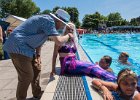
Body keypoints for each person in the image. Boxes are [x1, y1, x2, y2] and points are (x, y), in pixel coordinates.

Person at [3, 9, 73, 100]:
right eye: (63, 24)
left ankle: (37, 93)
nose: (62, 27)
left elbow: (39, 42)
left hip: (27, 48)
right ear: (58, 20)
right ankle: (21, 98)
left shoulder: (47, 22)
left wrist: (38, 56)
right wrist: (69, 35)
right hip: (18, 47)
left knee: (37, 68)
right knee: (27, 76)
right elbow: (59, 41)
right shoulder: (49, 21)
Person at [51, 22, 116, 82]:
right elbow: (54, 55)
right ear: (65, 29)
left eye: (72, 30)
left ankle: (113, 77)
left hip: (73, 63)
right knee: (91, 67)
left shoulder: (72, 41)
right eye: (68, 29)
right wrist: (53, 70)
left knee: (93, 66)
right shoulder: (60, 41)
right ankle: (113, 79)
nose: (70, 31)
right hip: (67, 65)